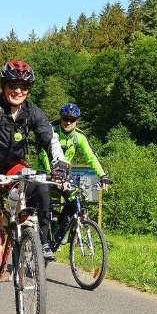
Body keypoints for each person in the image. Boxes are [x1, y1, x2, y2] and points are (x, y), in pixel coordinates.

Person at [0, 59, 69, 305]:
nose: (18, 90)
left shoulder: (32, 111)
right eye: (13, 85)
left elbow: (49, 137)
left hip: (13, 166)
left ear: (29, 89)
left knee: (42, 187)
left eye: (23, 86)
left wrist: (60, 164)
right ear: (4, 85)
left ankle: (40, 242)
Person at [36, 102, 111, 243]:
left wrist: (103, 175)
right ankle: (42, 239)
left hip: (63, 175)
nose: (68, 122)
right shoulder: (51, 132)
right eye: (65, 118)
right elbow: (43, 154)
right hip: (44, 173)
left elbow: (91, 157)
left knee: (74, 200)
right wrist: (53, 173)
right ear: (60, 118)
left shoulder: (79, 137)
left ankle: (59, 232)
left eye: (72, 120)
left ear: (77, 121)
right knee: (44, 202)